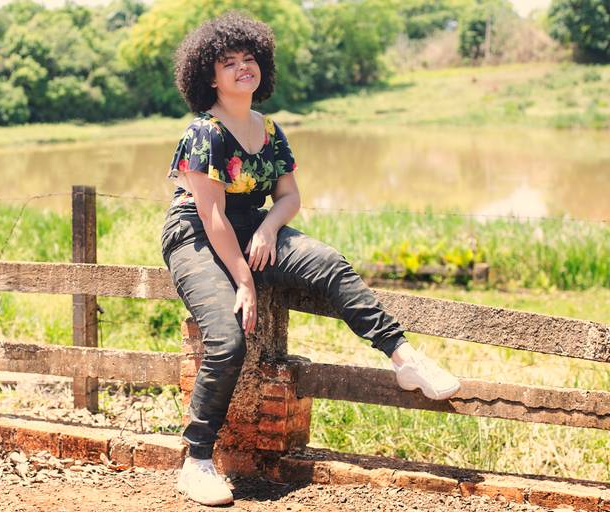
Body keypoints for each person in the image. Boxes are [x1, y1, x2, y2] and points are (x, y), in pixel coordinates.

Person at [160, 11, 461, 507]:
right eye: (228, 62)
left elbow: (289, 197)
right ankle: (196, 461)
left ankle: (404, 358)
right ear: (208, 77)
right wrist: (244, 280)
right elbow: (212, 216)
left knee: (329, 264)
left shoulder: (269, 129)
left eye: (249, 58)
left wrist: (268, 228)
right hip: (195, 234)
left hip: (251, 227)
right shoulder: (204, 134)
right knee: (228, 341)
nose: (242, 67)